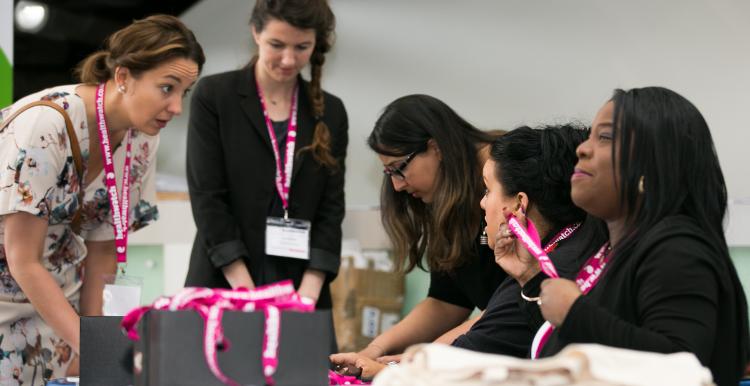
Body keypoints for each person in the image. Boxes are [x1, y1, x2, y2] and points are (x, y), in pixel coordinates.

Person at [496, 87, 749, 385]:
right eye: (589, 137)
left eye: (605, 137)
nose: (583, 149)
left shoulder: (677, 248)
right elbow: (595, 346)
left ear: (653, 161)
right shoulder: (612, 250)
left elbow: (682, 365)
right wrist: (530, 277)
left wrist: (575, 312)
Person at [0, 15, 204, 384]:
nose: (176, 107)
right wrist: (88, 344)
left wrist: (98, 347)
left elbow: (103, 252)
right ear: (123, 77)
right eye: (167, 88)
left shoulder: (141, 138)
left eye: (184, 93)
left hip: (59, 311)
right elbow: (23, 260)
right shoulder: (47, 124)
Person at [184, 0, 348, 318]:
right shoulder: (215, 96)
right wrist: (248, 294)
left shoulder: (331, 111)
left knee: (308, 369)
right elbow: (208, 199)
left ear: (317, 44)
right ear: (255, 32)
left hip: (301, 289)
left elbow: (331, 208)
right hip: (225, 280)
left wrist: (308, 294)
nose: (289, 59)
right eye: (277, 44)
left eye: (302, 47)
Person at [330, 94, 505, 378]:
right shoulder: (447, 196)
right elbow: (446, 300)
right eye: (389, 173)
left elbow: (513, 304)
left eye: (400, 168)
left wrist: (420, 361)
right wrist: (373, 351)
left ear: (435, 148)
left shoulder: (505, 172)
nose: (397, 185)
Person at [452, 124, 606, 356]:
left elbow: (454, 365)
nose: (482, 203)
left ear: (518, 204)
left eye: (487, 190)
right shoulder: (586, 244)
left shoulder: (543, 277)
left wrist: (384, 369)